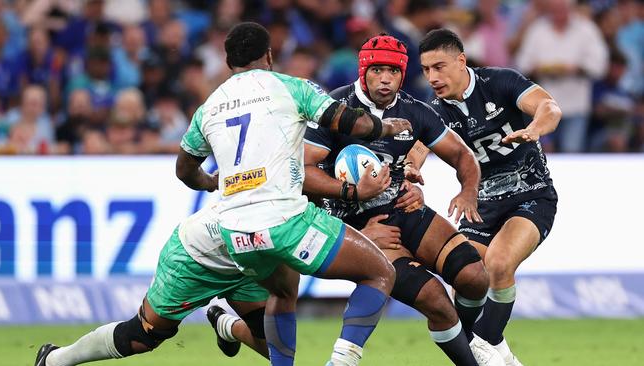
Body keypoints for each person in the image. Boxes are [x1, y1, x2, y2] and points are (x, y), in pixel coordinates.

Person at [176, 22, 411, 366]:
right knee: (380, 273)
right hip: (285, 220)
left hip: (235, 232)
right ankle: (341, 362)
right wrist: (385, 126)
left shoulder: (209, 107)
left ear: (229, 63)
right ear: (270, 55)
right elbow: (348, 122)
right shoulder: (291, 88)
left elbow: (184, 170)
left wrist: (211, 182)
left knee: (283, 291)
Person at [303, 34, 503, 366]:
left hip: (403, 209)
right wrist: (353, 225)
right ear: (363, 71)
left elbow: (463, 155)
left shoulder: (413, 111)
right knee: (436, 300)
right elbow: (303, 173)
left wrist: (467, 192)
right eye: (378, 70)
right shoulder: (334, 110)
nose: (386, 78)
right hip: (362, 226)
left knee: (474, 277)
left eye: (393, 71)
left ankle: (468, 341)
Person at [419, 28, 562, 366]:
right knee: (466, 279)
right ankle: (497, 357)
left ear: (461, 61)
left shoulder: (499, 82)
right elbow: (417, 147)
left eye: (439, 67)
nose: (432, 77)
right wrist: (410, 167)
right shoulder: (434, 111)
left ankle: (489, 344)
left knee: (498, 264)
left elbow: (549, 106)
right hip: (481, 207)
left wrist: (534, 129)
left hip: (531, 195)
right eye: (426, 70)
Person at [34, 194, 271, 366]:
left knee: (277, 346)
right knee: (142, 337)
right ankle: (54, 360)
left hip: (248, 256)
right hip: (198, 255)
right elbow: (186, 169)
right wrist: (206, 180)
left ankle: (226, 326)